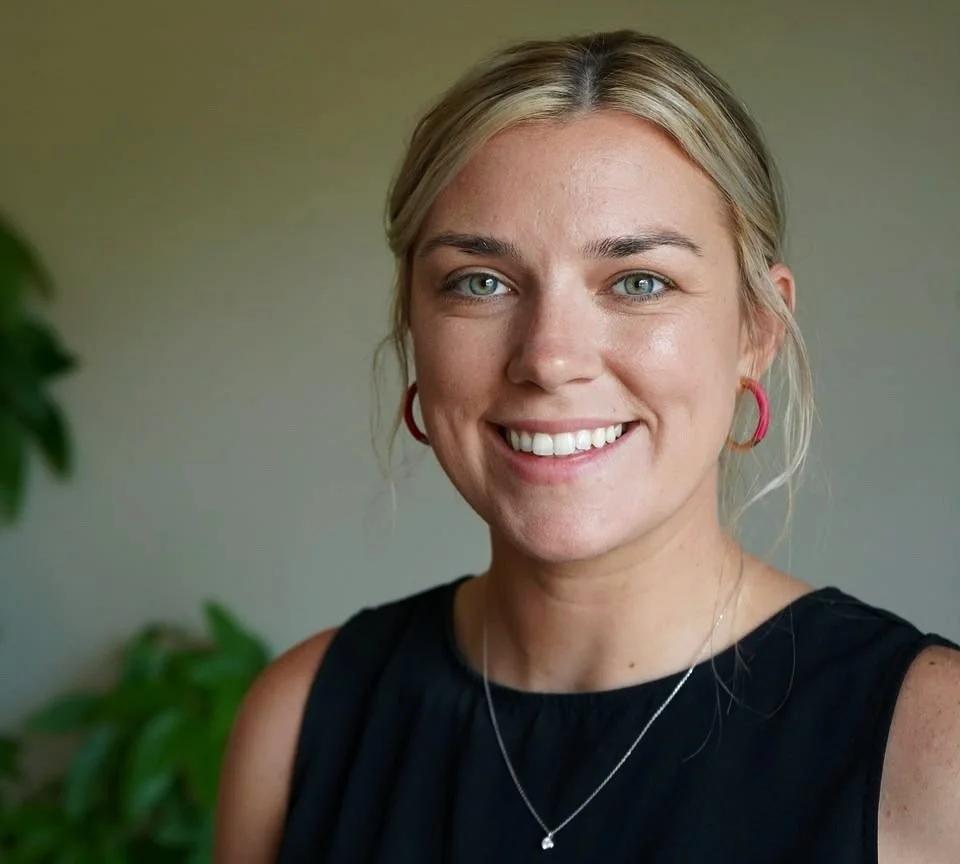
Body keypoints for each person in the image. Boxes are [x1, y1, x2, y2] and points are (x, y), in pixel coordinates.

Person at [214, 29, 960, 863]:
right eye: (480, 282)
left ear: (757, 329)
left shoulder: (936, 751)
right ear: (413, 325)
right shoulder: (300, 722)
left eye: (639, 282)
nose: (548, 358)